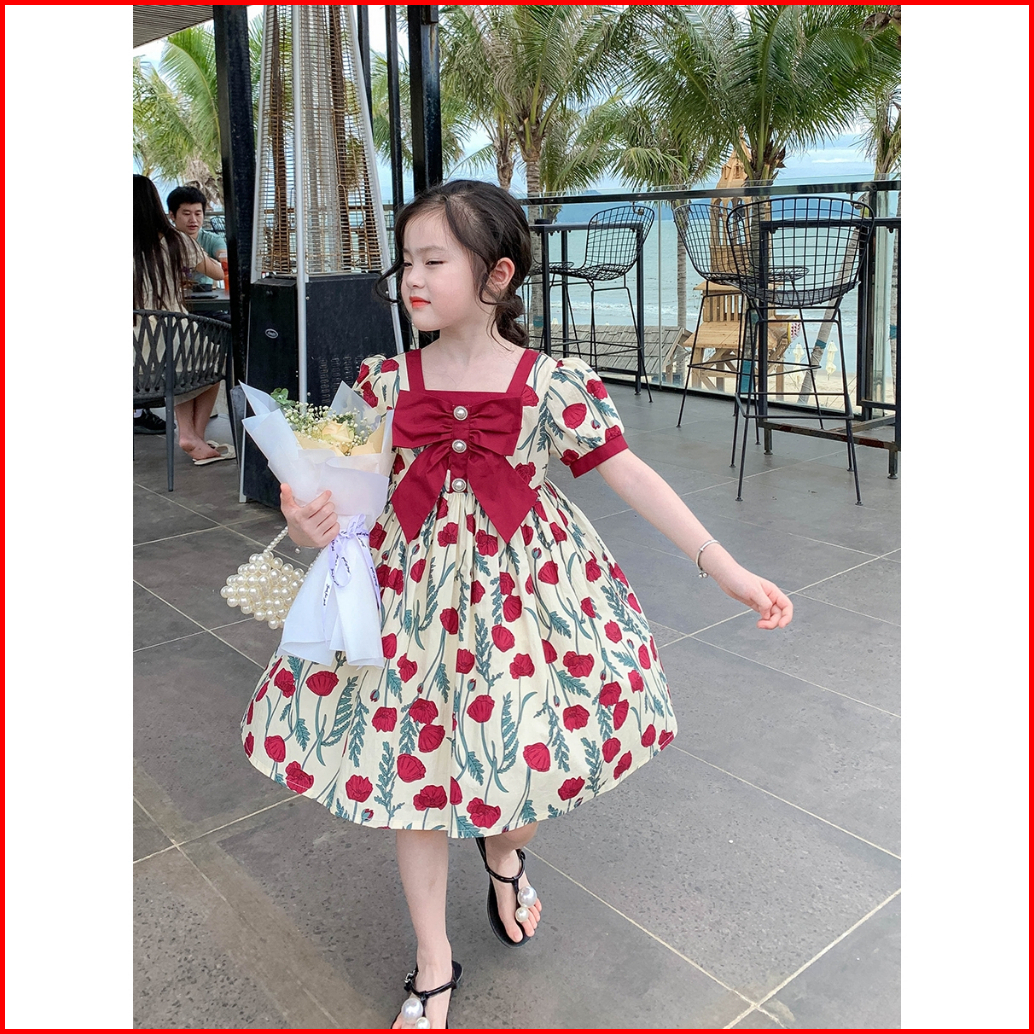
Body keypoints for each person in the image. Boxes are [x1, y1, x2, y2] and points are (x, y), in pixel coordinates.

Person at [238, 180, 793, 1029]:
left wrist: (724, 567)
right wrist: (303, 517)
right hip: (410, 605)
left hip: (525, 603)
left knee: (523, 779)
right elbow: (336, 497)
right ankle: (433, 960)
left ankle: (505, 859)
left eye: (434, 262)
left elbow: (630, 474)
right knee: (412, 780)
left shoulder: (553, 383)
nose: (411, 279)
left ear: (496, 275)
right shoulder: (384, 382)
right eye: (406, 261)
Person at [133, 174, 233, 464]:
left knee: (181, 360)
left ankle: (196, 439)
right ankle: (191, 434)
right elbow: (218, 271)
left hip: (134, 359)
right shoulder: (177, 240)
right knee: (213, 360)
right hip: (171, 335)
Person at [166, 184, 227, 291]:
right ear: (172, 215)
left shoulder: (212, 240)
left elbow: (223, 258)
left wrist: (222, 258)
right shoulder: (164, 241)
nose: (193, 220)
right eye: (186, 214)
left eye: (198, 214)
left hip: (206, 295)